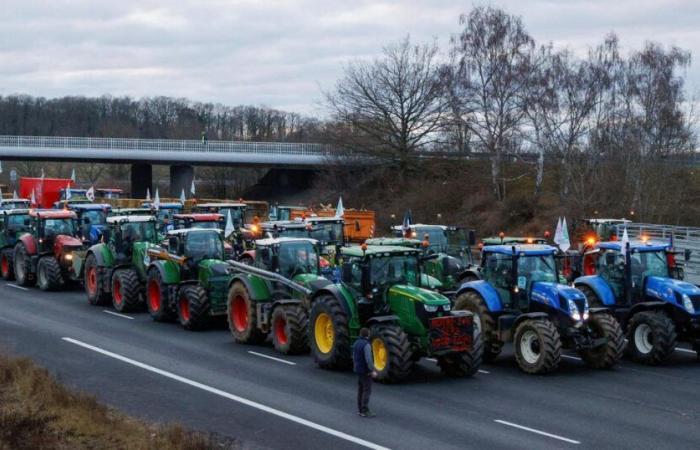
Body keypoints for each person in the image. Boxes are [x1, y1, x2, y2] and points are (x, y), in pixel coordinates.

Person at [353, 328, 377, 417]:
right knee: (367, 390)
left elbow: (354, 356)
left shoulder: (356, 343)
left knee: (360, 390)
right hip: (365, 371)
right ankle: (364, 410)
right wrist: (372, 371)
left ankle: (359, 409)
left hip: (358, 370)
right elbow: (369, 360)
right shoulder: (366, 345)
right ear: (368, 334)